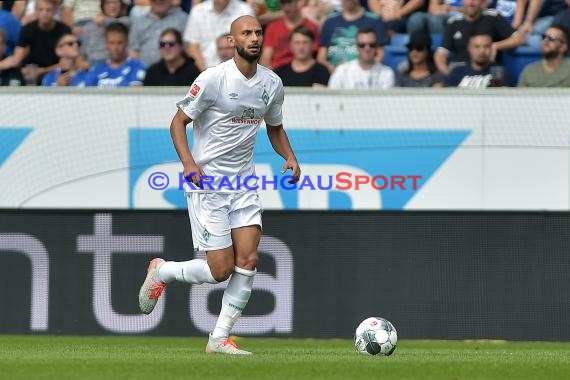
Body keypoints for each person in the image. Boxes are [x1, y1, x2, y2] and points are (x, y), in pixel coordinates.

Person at [138, 15, 301, 355]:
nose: (254, 38)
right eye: (247, 33)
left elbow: (274, 127)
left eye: (258, 32)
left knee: (249, 259)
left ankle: (218, 339)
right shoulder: (212, 79)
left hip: (244, 183)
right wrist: (188, 163)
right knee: (220, 270)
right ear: (231, 40)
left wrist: (289, 157)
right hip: (208, 183)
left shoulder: (272, 84)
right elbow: (178, 122)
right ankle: (163, 271)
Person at [434, 0, 526, 75]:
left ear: (483, 1)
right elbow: (441, 53)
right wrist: (447, 74)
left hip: (488, 70)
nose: (471, 2)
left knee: (501, 76)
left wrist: (495, 46)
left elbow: (520, 39)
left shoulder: (493, 17)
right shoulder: (454, 22)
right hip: (461, 71)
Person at [0, 0, 71, 85]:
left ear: (55, 10)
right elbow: (17, 59)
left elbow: (66, 62)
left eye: (48, 10)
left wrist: (42, 71)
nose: (44, 13)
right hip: (31, 74)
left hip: (54, 73)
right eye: (41, 9)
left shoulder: (64, 31)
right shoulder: (28, 29)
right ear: (35, 11)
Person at [317, 0, 387, 73]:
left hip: (365, 75)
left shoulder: (374, 20)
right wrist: (332, 69)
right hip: (334, 74)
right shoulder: (330, 21)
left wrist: (363, 70)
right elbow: (321, 57)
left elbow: (381, 55)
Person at [183, 0, 254, 71]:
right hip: (204, 72)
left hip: (237, 72)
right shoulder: (198, 11)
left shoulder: (245, 10)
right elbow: (192, 47)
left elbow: (249, 46)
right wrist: (208, 75)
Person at [259, 0, 319, 70]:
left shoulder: (312, 26)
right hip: (278, 72)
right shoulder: (273, 27)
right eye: (283, 3)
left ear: (299, 2)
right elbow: (265, 60)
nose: (286, 7)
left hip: (305, 71)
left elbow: (316, 56)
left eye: (290, 2)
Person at [328, 26, 395, 88]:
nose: (367, 48)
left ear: (376, 46)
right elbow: (332, 96)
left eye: (371, 45)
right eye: (362, 45)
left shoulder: (386, 73)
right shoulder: (342, 71)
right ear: (356, 47)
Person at [84, 22, 146, 87]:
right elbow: (87, 93)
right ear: (106, 44)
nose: (115, 48)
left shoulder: (137, 67)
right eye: (111, 43)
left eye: (119, 43)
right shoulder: (97, 70)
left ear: (126, 43)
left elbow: (135, 94)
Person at [128, 0, 188, 67]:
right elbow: (134, 51)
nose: (159, 1)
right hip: (144, 73)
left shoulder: (182, 19)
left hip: (175, 72)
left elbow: (187, 49)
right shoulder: (139, 21)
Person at [445, 31, 511, 87]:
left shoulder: (498, 72)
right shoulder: (457, 72)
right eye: (477, 47)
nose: (482, 51)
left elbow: (500, 99)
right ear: (469, 48)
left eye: (486, 46)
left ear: (491, 49)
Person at [80, 0, 130, 67]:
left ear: (121, 5)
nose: (112, 6)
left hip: (118, 64)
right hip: (92, 65)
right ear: (102, 6)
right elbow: (82, 52)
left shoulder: (127, 22)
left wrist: (104, 20)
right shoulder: (89, 27)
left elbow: (119, 24)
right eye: (108, 3)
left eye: (115, 2)